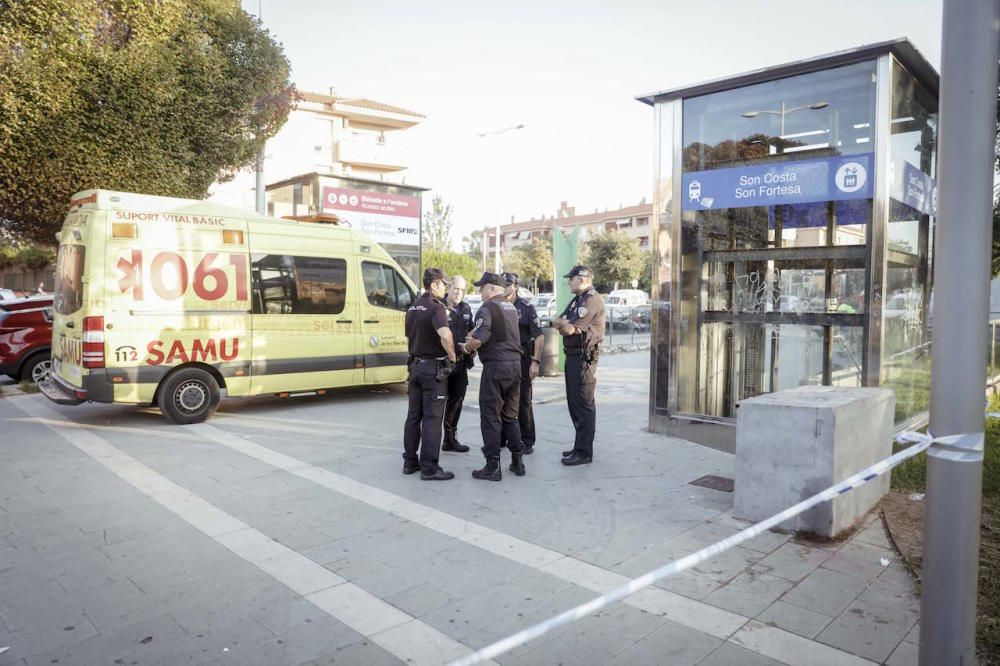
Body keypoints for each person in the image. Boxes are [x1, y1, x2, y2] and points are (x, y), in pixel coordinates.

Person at [463, 271, 525, 481]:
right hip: (515, 367)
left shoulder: (487, 308)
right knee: (510, 415)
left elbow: (481, 337)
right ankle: (518, 461)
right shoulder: (511, 307)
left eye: (482, 288)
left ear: (491, 288)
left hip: (496, 367)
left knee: (490, 417)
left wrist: (466, 347)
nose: (479, 292)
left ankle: (492, 466)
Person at [402, 268, 458, 481]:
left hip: (415, 366)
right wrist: (452, 356)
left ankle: (409, 461)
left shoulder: (413, 308)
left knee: (413, 416)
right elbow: (445, 334)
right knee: (433, 419)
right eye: (444, 284)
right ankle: (429, 468)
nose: (446, 287)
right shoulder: (436, 308)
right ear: (434, 285)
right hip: (432, 370)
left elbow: (409, 338)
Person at [551, 265, 606, 466]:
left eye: (571, 278)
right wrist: (562, 324)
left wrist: (563, 325)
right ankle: (579, 446)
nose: (568, 282)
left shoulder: (590, 300)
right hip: (574, 356)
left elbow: (567, 328)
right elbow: (559, 320)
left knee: (583, 404)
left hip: (584, 358)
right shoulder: (578, 299)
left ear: (582, 279)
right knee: (574, 403)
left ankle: (584, 452)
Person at [503, 272, 543, 454]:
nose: (505, 287)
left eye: (508, 284)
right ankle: (503, 437)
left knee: (524, 400)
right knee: (502, 399)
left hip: (523, 357)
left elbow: (539, 336)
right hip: (503, 358)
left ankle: (527, 440)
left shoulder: (526, 307)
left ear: (516, 286)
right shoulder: (497, 305)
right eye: (502, 284)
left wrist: (535, 361)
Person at [442, 275, 474, 453]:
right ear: (449, 287)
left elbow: (471, 330)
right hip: (442, 364)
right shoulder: (439, 307)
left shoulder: (466, 308)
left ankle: (450, 438)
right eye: (456, 288)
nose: (458, 293)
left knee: (456, 402)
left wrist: (470, 346)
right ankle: (430, 441)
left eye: (462, 290)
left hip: (460, 364)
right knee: (437, 405)